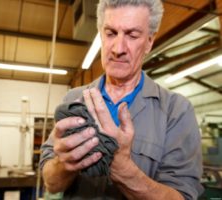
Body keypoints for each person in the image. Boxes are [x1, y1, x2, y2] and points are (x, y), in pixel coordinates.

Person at [40, 0, 204, 199]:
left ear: (149, 42)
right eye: (110, 33)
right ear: (101, 35)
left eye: (132, 35)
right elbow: (50, 182)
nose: (118, 48)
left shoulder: (176, 111)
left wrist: (123, 169)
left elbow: (182, 196)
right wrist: (63, 165)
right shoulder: (74, 99)